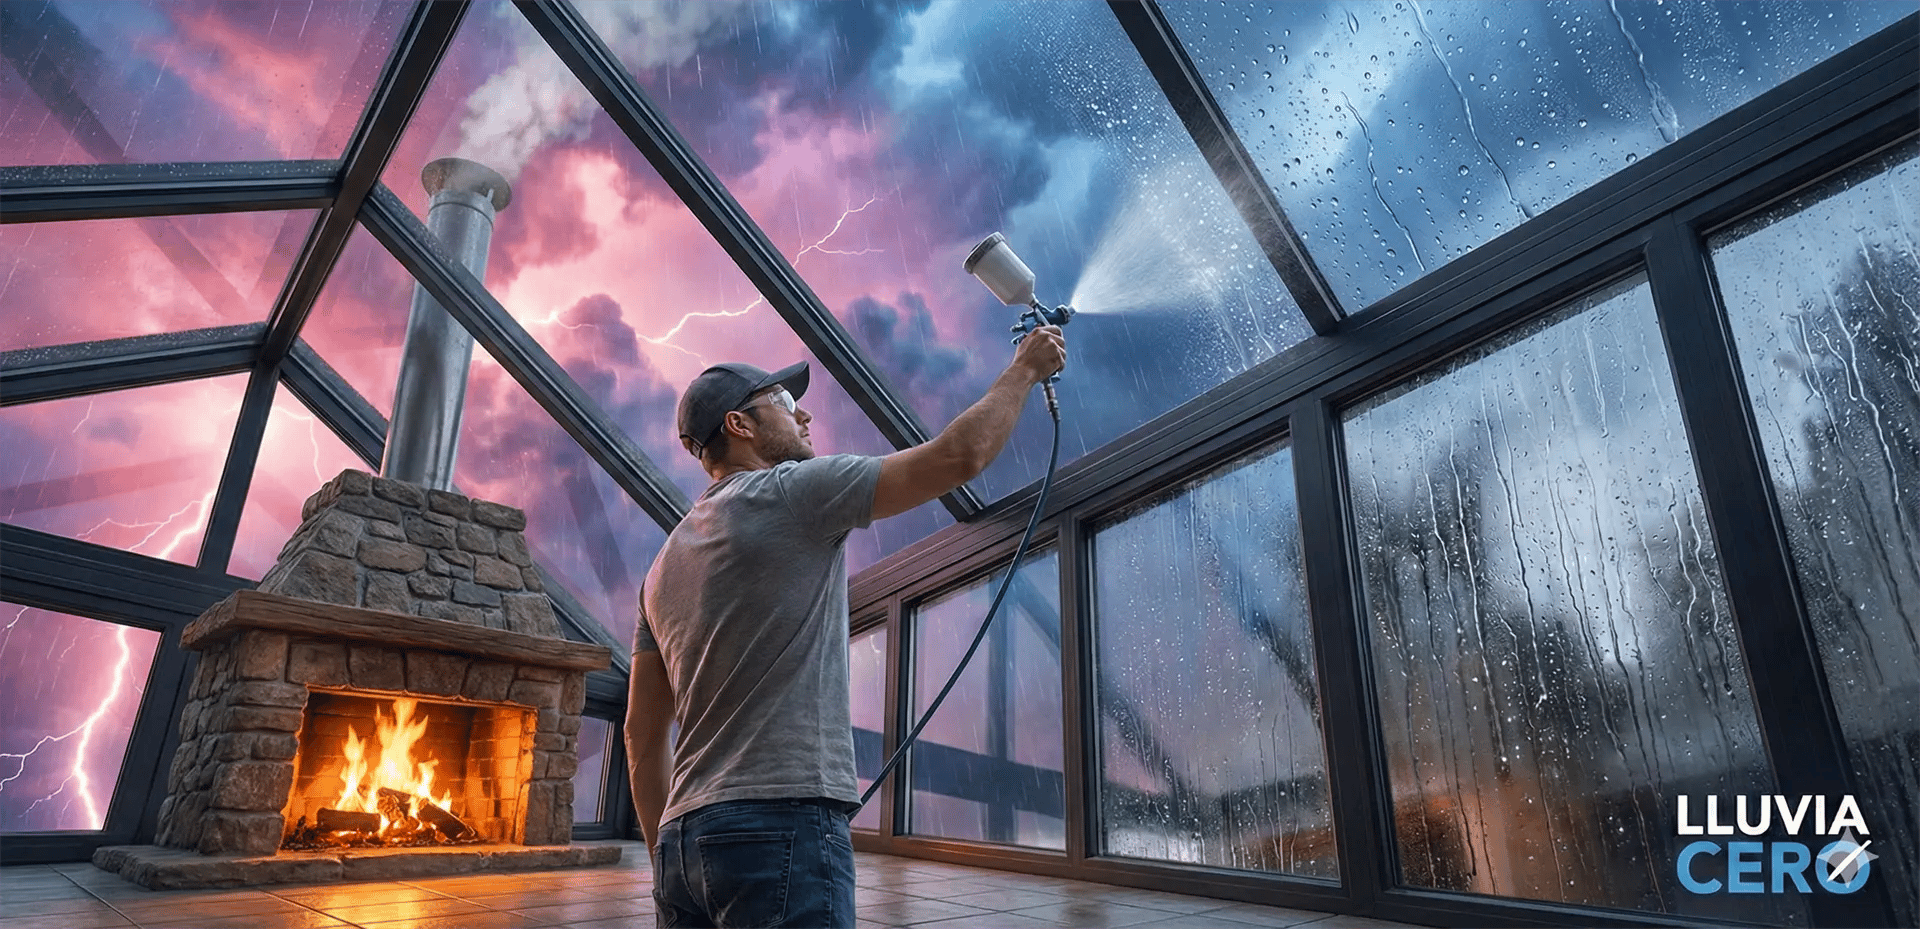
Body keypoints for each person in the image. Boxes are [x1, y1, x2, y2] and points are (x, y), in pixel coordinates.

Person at [626, 325, 1066, 929]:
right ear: (739, 425)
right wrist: (1024, 370)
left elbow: (640, 737)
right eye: (784, 404)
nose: (804, 416)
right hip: (780, 824)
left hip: (682, 842)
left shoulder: (659, 569)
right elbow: (957, 459)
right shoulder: (790, 492)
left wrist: (665, 860)